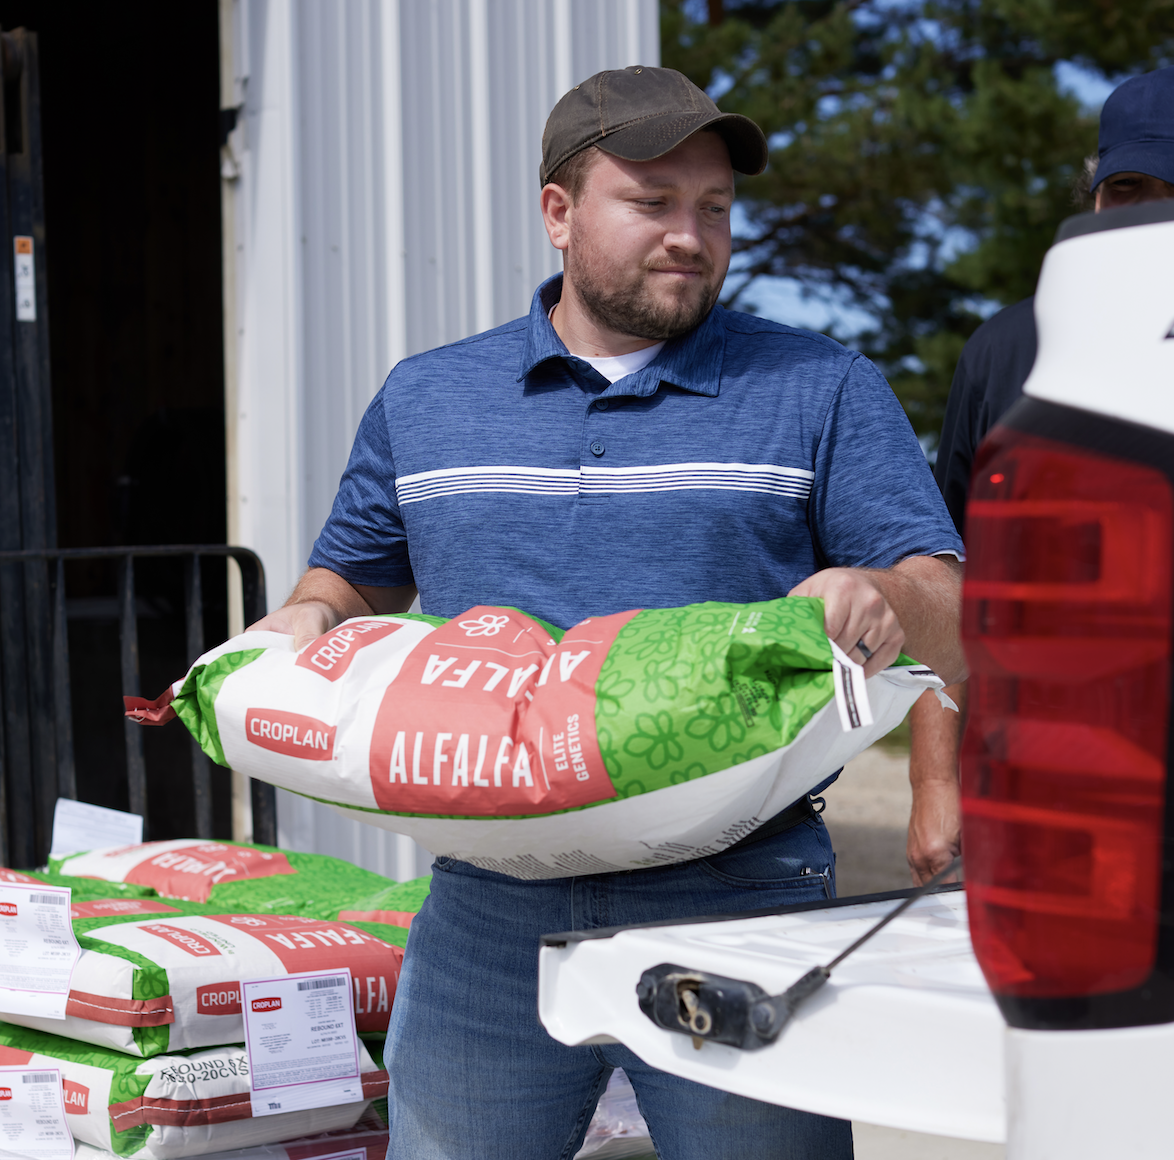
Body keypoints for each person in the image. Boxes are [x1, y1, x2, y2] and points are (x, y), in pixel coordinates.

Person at [251, 66, 966, 1159]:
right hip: (490, 908)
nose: (692, 234)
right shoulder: (427, 397)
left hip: (742, 900)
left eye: (715, 207)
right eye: (653, 201)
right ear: (557, 212)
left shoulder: (819, 387)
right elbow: (349, 580)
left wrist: (888, 595)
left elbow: (955, 614)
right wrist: (302, 619)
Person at [908, 66, 1174, 883]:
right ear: (1094, 194)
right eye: (1128, 187)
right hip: (1039, 791)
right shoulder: (1005, 351)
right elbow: (942, 580)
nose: (1147, 216)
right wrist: (933, 778)